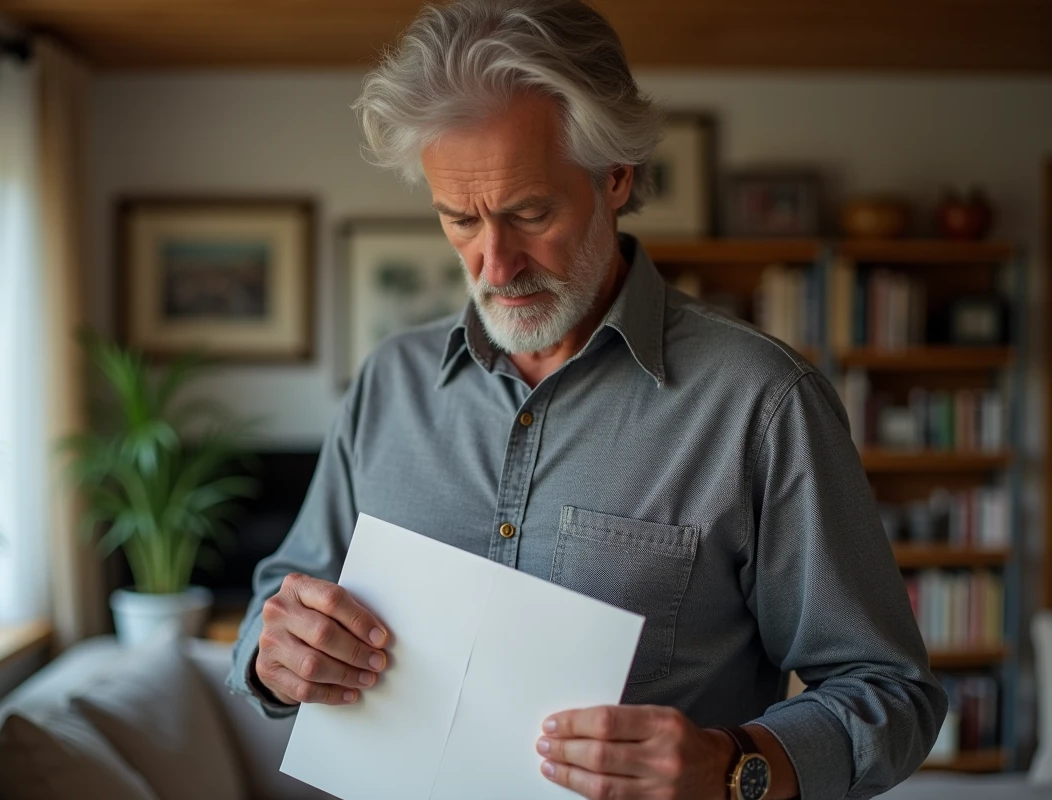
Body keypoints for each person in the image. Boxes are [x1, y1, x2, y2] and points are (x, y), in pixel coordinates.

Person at [226, 2, 946, 798]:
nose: (494, 264)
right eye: (458, 219)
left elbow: (892, 693)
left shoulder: (763, 403)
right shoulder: (388, 383)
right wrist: (274, 650)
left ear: (616, 177)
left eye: (529, 213)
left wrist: (733, 765)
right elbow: (282, 589)